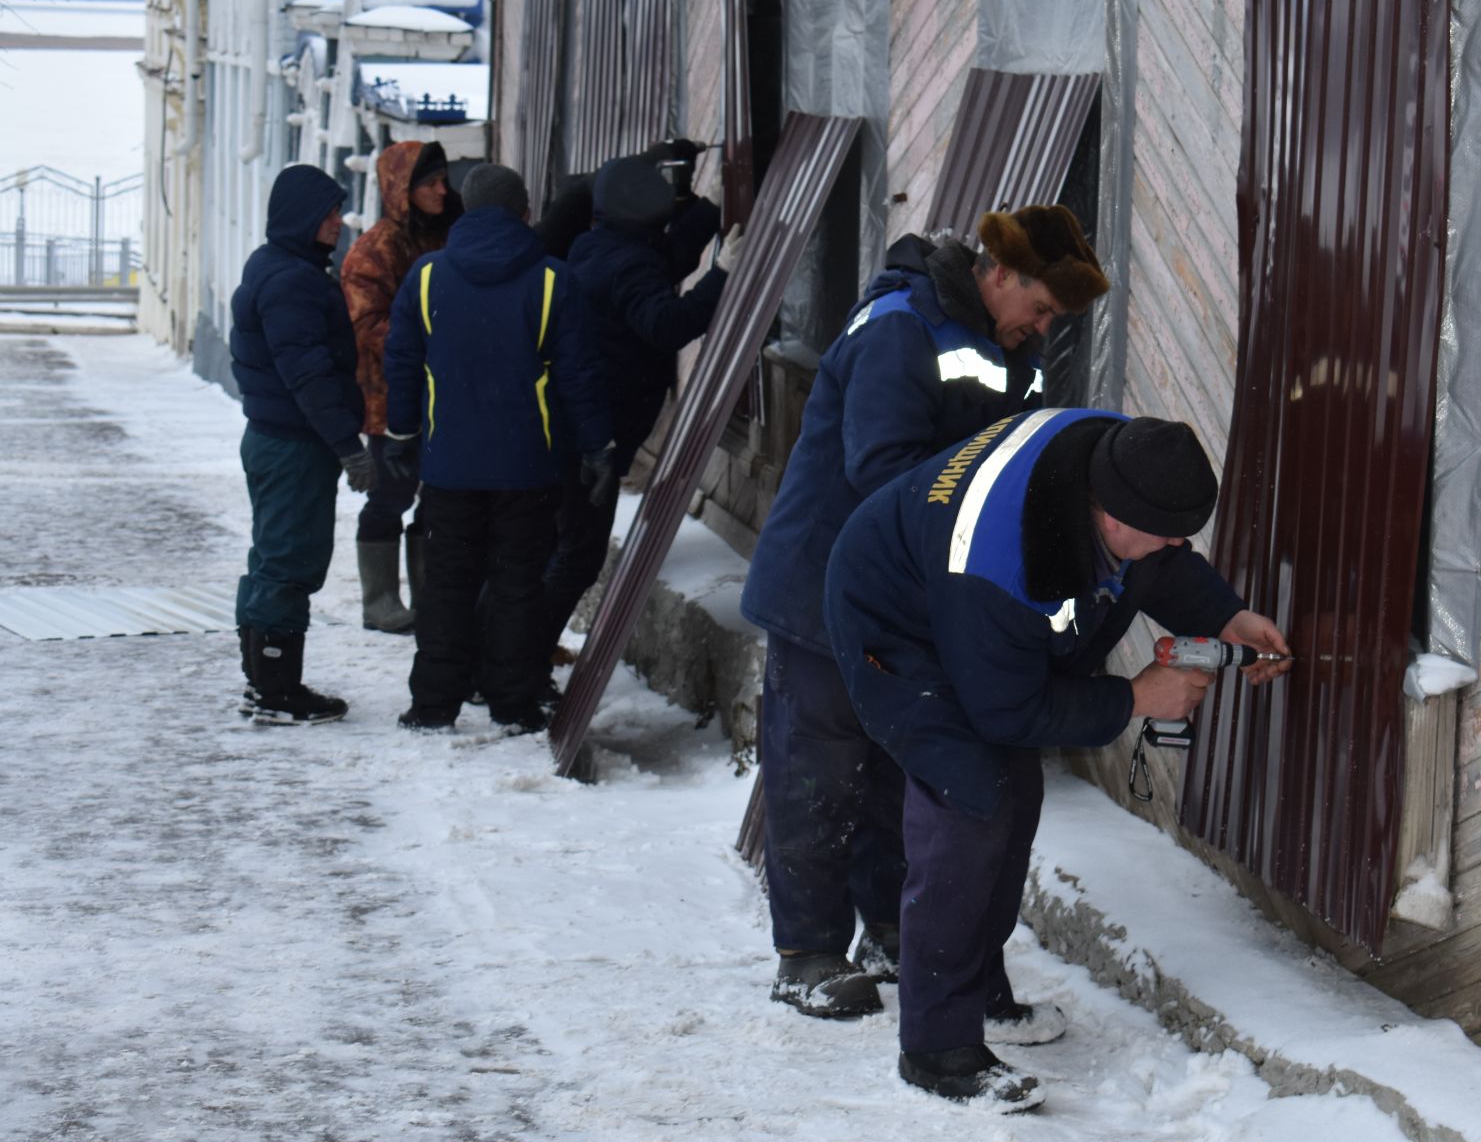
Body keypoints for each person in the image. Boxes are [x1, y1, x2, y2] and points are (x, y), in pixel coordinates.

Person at [822, 410, 1291, 1110]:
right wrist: (1136, 697)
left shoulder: (1118, 458)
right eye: (1166, 534)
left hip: (964, 606)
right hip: (893, 624)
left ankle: (979, 992)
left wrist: (1223, 615)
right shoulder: (1001, 561)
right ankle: (936, 1048)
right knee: (971, 798)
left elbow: (1153, 562)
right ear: (1110, 515)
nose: (1176, 544)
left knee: (1018, 793)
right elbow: (1006, 712)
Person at [738, 205, 1109, 1022]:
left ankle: (888, 932)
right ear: (1000, 273)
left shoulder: (1018, 349)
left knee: (898, 772)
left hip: (918, 598)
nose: (1043, 328)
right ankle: (806, 952)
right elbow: (884, 469)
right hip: (826, 587)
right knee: (817, 773)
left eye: (1055, 319)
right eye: (1041, 308)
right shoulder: (900, 329)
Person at [382, 164, 613, 733]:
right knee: (517, 584)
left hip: (449, 466)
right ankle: (512, 700)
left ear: (464, 208)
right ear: (525, 211)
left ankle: (434, 703)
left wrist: (402, 433)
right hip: (526, 465)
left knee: (446, 584)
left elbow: (403, 361)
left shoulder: (428, 276)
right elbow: (579, 375)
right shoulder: (554, 280)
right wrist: (596, 447)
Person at [537, 144, 737, 662]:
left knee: (555, 548)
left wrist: (708, 213)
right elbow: (666, 323)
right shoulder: (627, 264)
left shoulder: (594, 245)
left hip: (578, 424)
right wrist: (723, 275)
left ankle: (511, 654)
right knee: (578, 556)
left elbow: (662, 259)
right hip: (597, 434)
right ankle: (518, 662)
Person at [228, 163, 376, 725]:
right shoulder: (292, 280)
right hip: (294, 445)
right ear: (300, 217)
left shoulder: (278, 266)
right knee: (290, 561)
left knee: (272, 558)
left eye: (338, 211)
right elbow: (307, 374)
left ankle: (263, 681)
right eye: (329, 213)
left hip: (276, 437)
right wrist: (348, 446)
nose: (338, 222)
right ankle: (276, 692)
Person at [339, 139, 462, 633]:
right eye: (429, 182)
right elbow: (365, 325)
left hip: (443, 394)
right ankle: (381, 601)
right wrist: (430, 333)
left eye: (443, 180)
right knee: (392, 495)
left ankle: (429, 599)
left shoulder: (446, 235)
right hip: (387, 400)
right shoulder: (375, 249)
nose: (441, 190)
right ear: (401, 189)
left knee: (437, 499)